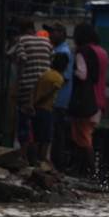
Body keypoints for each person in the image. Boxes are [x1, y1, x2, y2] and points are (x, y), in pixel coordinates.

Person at [7, 19, 52, 163]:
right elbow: (52, 58)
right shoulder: (46, 42)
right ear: (33, 29)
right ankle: (39, 159)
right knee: (40, 126)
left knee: (24, 125)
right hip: (44, 88)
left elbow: (18, 58)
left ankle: (24, 157)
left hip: (27, 88)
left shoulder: (22, 41)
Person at [67, 23, 108, 178]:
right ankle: (83, 171)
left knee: (82, 137)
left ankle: (90, 172)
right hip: (100, 101)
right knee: (85, 136)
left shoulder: (83, 52)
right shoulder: (102, 52)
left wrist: (73, 71)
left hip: (85, 102)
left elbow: (82, 74)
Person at [44, 22, 74, 170]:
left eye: (53, 32)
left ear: (62, 33)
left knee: (57, 133)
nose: (50, 34)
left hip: (59, 99)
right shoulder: (56, 49)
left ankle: (57, 164)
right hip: (54, 99)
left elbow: (64, 77)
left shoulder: (64, 52)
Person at [30, 53, 68, 166]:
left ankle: (33, 160)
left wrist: (34, 103)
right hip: (46, 109)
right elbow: (49, 94)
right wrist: (39, 102)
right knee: (46, 137)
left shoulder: (45, 74)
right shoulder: (58, 78)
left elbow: (35, 89)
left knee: (36, 136)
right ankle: (42, 160)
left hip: (37, 108)